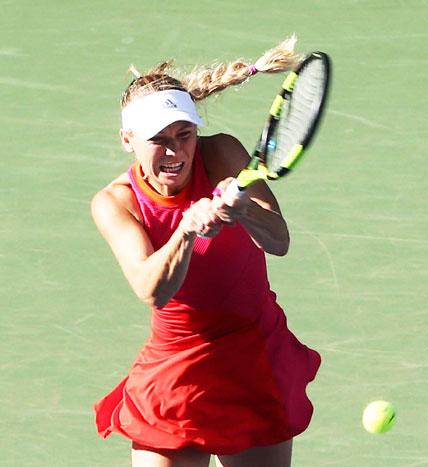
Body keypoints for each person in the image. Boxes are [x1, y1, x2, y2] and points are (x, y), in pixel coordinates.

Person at [91, 37, 321, 467]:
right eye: (159, 140)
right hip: (176, 369)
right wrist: (187, 229)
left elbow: (278, 241)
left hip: (253, 353)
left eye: (185, 134)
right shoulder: (114, 202)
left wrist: (245, 207)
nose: (176, 151)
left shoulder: (222, 154)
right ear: (128, 139)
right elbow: (152, 290)